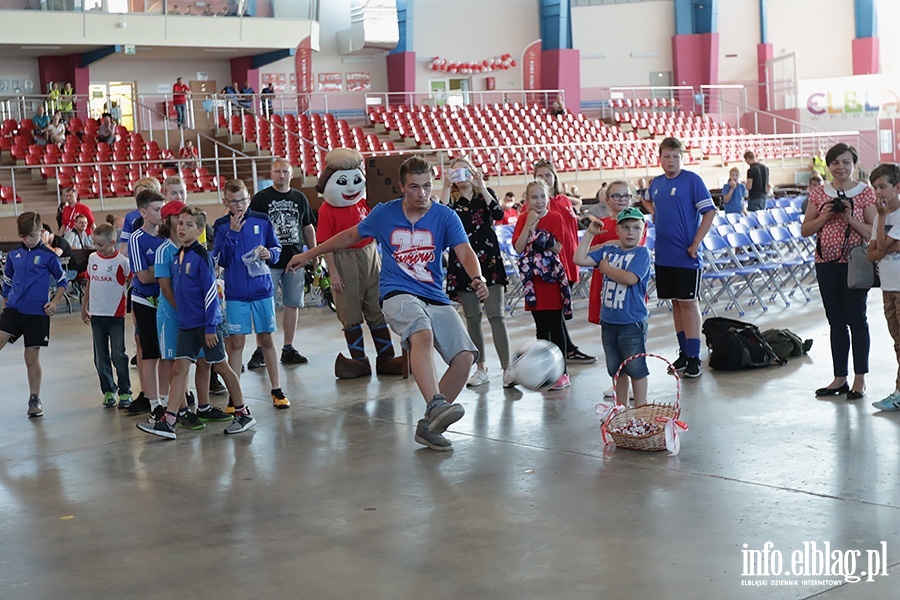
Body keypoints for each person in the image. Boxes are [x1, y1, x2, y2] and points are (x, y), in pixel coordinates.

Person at [286, 156, 489, 452]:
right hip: (397, 294)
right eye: (414, 187)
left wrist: (477, 276)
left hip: (434, 296)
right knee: (422, 333)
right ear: (402, 187)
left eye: (427, 187)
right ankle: (435, 405)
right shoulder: (385, 213)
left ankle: (429, 426)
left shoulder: (445, 216)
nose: (422, 194)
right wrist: (310, 254)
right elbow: (350, 235)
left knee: (465, 357)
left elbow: (465, 250)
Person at [138, 205, 253, 438]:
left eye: (189, 225)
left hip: (205, 325)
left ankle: (243, 413)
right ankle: (169, 421)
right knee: (180, 368)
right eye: (180, 223)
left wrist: (211, 327)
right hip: (187, 325)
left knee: (221, 366)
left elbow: (211, 294)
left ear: (200, 229)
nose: (182, 228)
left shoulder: (202, 257)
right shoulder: (179, 255)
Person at [314, 148, 405, 379]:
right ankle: (359, 360)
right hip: (343, 258)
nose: (352, 187)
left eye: (356, 180)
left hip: (370, 255)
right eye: (344, 181)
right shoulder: (327, 210)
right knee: (349, 310)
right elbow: (325, 242)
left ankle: (386, 358)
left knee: (376, 307)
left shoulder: (365, 203)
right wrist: (333, 272)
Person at [801, 143, 876, 399]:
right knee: (835, 321)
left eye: (845, 162)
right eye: (835, 163)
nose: (840, 167)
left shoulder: (865, 193)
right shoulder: (820, 193)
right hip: (825, 262)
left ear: (853, 163)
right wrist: (825, 216)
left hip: (855, 264)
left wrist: (850, 219)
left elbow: (874, 232)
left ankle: (860, 380)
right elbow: (806, 229)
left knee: (857, 319)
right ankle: (839, 377)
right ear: (829, 166)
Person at [641, 137, 716, 378]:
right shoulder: (657, 183)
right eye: (666, 156)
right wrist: (655, 213)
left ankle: (694, 355)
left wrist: (696, 242)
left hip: (686, 254)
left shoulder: (692, 180)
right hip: (664, 254)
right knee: (674, 302)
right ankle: (684, 351)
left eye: (675, 156)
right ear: (659, 159)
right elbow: (647, 199)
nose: (671, 160)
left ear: (682, 158)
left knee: (688, 301)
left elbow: (710, 211)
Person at [214, 179, 290, 409]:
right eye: (234, 201)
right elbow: (220, 259)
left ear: (249, 198)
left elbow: (276, 249)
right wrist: (233, 234)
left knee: (266, 338)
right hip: (235, 292)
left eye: (243, 200)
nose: (239, 205)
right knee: (236, 342)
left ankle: (276, 389)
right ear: (225, 202)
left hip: (262, 290)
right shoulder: (220, 226)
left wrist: (270, 253)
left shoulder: (262, 219)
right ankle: (234, 396)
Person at [440, 156, 512, 388]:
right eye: (455, 173)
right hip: (462, 263)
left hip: (489, 260)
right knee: (472, 318)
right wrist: (443, 185)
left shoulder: (485, 193)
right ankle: (481, 369)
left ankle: (507, 368)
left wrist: (481, 185)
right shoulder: (451, 200)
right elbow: (439, 218)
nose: (461, 177)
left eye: (465, 171)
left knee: (496, 315)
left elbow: (499, 214)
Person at [574, 207, 652, 407]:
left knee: (636, 368)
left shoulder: (641, 253)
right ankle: (621, 408)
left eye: (636, 228)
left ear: (642, 232)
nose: (630, 232)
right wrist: (590, 234)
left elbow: (630, 278)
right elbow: (579, 258)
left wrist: (606, 269)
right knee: (617, 370)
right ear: (616, 230)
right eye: (625, 227)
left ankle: (640, 408)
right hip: (609, 321)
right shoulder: (608, 250)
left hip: (632, 322)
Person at [247, 158, 315, 369]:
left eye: (284, 172)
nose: (281, 176)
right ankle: (261, 348)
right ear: (271, 174)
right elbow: (251, 227)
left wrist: (313, 254)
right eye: (277, 172)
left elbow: (308, 227)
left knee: (292, 304)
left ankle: (288, 347)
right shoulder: (260, 198)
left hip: (294, 259)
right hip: (268, 261)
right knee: (264, 305)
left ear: (291, 175)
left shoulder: (300, 198)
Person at [0, 212, 68, 418]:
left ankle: (34, 398)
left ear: (41, 232)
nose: (28, 240)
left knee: (31, 356)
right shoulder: (13, 256)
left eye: (32, 235)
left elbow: (62, 281)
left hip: (37, 313)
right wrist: (6, 300)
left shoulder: (48, 256)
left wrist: (54, 302)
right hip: (14, 309)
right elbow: (7, 281)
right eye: (24, 237)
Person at [532, 159, 596, 364]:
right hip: (552, 265)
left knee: (559, 309)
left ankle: (567, 349)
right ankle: (563, 351)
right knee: (554, 311)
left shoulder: (564, 201)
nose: (545, 179)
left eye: (548, 175)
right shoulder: (537, 205)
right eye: (540, 175)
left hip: (571, 259)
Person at [513, 179, 572, 390]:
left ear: (548, 198)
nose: (538, 201)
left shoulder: (555, 217)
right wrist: (529, 224)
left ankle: (562, 372)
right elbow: (519, 247)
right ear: (527, 200)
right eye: (534, 197)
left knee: (556, 326)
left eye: (542, 197)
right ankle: (544, 369)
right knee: (541, 328)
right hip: (533, 280)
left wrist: (537, 236)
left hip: (551, 277)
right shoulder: (522, 219)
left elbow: (556, 247)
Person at [81, 223, 132, 409]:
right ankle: (109, 390)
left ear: (112, 242)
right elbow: (89, 282)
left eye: (101, 245)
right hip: (97, 315)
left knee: (118, 354)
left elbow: (133, 281)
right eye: (95, 244)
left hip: (115, 316)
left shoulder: (122, 262)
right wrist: (84, 306)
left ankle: (125, 392)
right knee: (100, 357)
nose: (97, 248)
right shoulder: (93, 258)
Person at [128, 190, 167, 416]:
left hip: (166, 301)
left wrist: (157, 271)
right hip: (145, 302)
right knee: (150, 354)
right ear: (143, 212)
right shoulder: (137, 238)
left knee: (167, 354)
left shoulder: (166, 237)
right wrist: (163, 272)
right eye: (156, 209)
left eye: (162, 208)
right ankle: (154, 404)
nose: (161, 213)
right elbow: (142, 276)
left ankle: (166, 399)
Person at [867, 163, 900, 411]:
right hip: (887, 287)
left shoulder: (892, 216)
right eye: (875, 188)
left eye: (883, 186)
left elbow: (882, 245)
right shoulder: (884, 216)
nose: (878, 193)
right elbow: (872, 253)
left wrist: (879, 217)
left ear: (897, 187)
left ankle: (899, 390)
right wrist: (885, 246)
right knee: (897, 341)